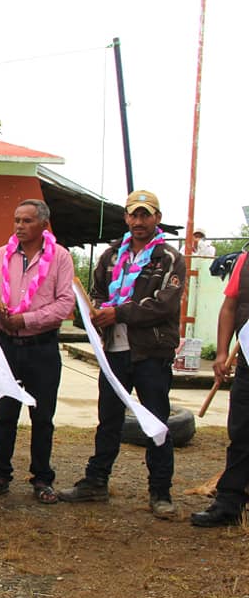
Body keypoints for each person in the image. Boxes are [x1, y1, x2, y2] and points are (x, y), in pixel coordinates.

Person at [59, 189, 185, 519]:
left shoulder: (169, 258)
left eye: (146, 214)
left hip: (151, 351)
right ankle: (96, 482)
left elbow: (164, 304)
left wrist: (119, 313)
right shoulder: (112, 255)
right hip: (113, 350)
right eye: (134, 214)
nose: (139, 220)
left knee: (156, 420)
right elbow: (99, 292)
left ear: (157, 218)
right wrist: (97, 311)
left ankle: (160, 492)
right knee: (108, 420)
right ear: (126, 217)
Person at [0, 199, 75, 504]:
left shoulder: (60, 257)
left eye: (27, 221)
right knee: (4, 414)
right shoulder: (1, 255)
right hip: (6, 345)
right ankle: (0, 475)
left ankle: (42, 479)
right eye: (17, 220)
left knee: (42, 416)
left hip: (42, 347)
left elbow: (64, 304)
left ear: (43, 225)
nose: (19, 226)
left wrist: (27, 319)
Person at [191, 249, 249, 526]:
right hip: (248, 360)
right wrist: (222, 353)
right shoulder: (245, 260)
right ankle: (228, 503)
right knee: (241, 431)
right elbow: (230, 306)